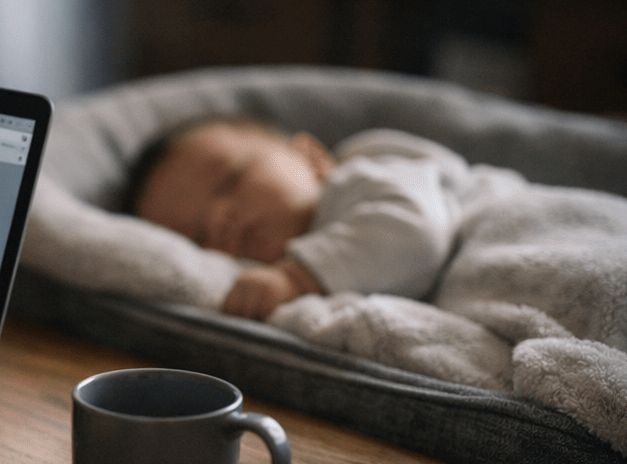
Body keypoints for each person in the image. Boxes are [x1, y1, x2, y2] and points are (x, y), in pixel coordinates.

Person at [120, 114, 514, 320]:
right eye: (196, 233)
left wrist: (296, 278)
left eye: (229, 180)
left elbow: (417, 233)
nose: (221, 217)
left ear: (311, 158)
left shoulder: (360, 181)